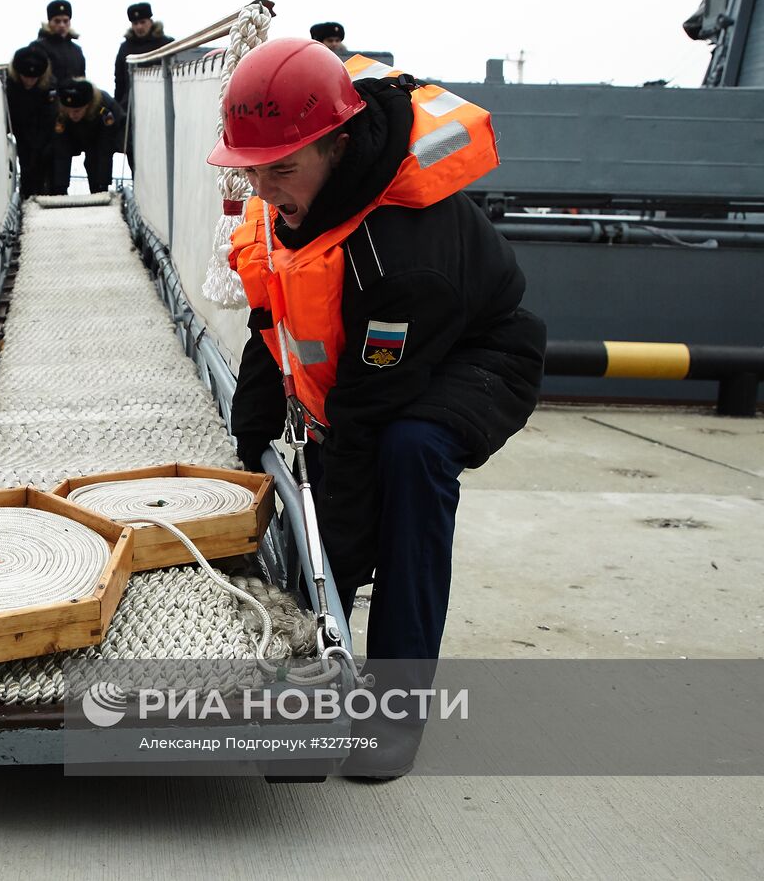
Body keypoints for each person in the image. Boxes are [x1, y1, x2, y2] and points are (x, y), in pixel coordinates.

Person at [210, 39, 545, 776]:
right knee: (330, 480)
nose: (264, 189)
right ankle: (313, 682)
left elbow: (363, 416)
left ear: (335, 144)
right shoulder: (287, 200)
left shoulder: (400, 255)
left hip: (473, 355)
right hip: (377, 366)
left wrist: (333, 581)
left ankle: (392, 706)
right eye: (252, 170)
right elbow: (276, 318)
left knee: (405, 458)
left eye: (282, 169)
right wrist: (250, 433)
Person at [51, 79, 124, 194]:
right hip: (73, 135)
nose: (72, 115)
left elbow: (105, 148)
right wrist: (60, 187)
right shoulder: (61, 112)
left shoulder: (104, 108)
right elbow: (60, 148)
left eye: (77, 111)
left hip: (99, 135)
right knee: (56, 151)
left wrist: (102, 185)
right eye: (69, 111)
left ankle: (98, 189)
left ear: (88, 105)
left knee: (93, 160)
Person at [6, 45, 56, 197]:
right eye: (25, 76)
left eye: (33, 77)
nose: (29, 81)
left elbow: (50, 116)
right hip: (20, 131)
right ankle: (26, 199)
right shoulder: (9, 85)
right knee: (26, 169)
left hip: (43, 133)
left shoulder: (49, 87)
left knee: (44, 168)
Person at [113, 2, 173, 110]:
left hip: (161, 102)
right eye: (135, 23)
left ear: (150, 21)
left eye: (142, 22)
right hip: (132, 106)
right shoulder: (124, 48)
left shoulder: (166, 44)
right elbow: (119, 81)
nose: (139, 26)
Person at [31, 0, 85, 83]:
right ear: (49, 22)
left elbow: (82, 78)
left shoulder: (76, 50)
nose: (62, 25)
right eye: (57, 21)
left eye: (65, 21)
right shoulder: (38, 47)